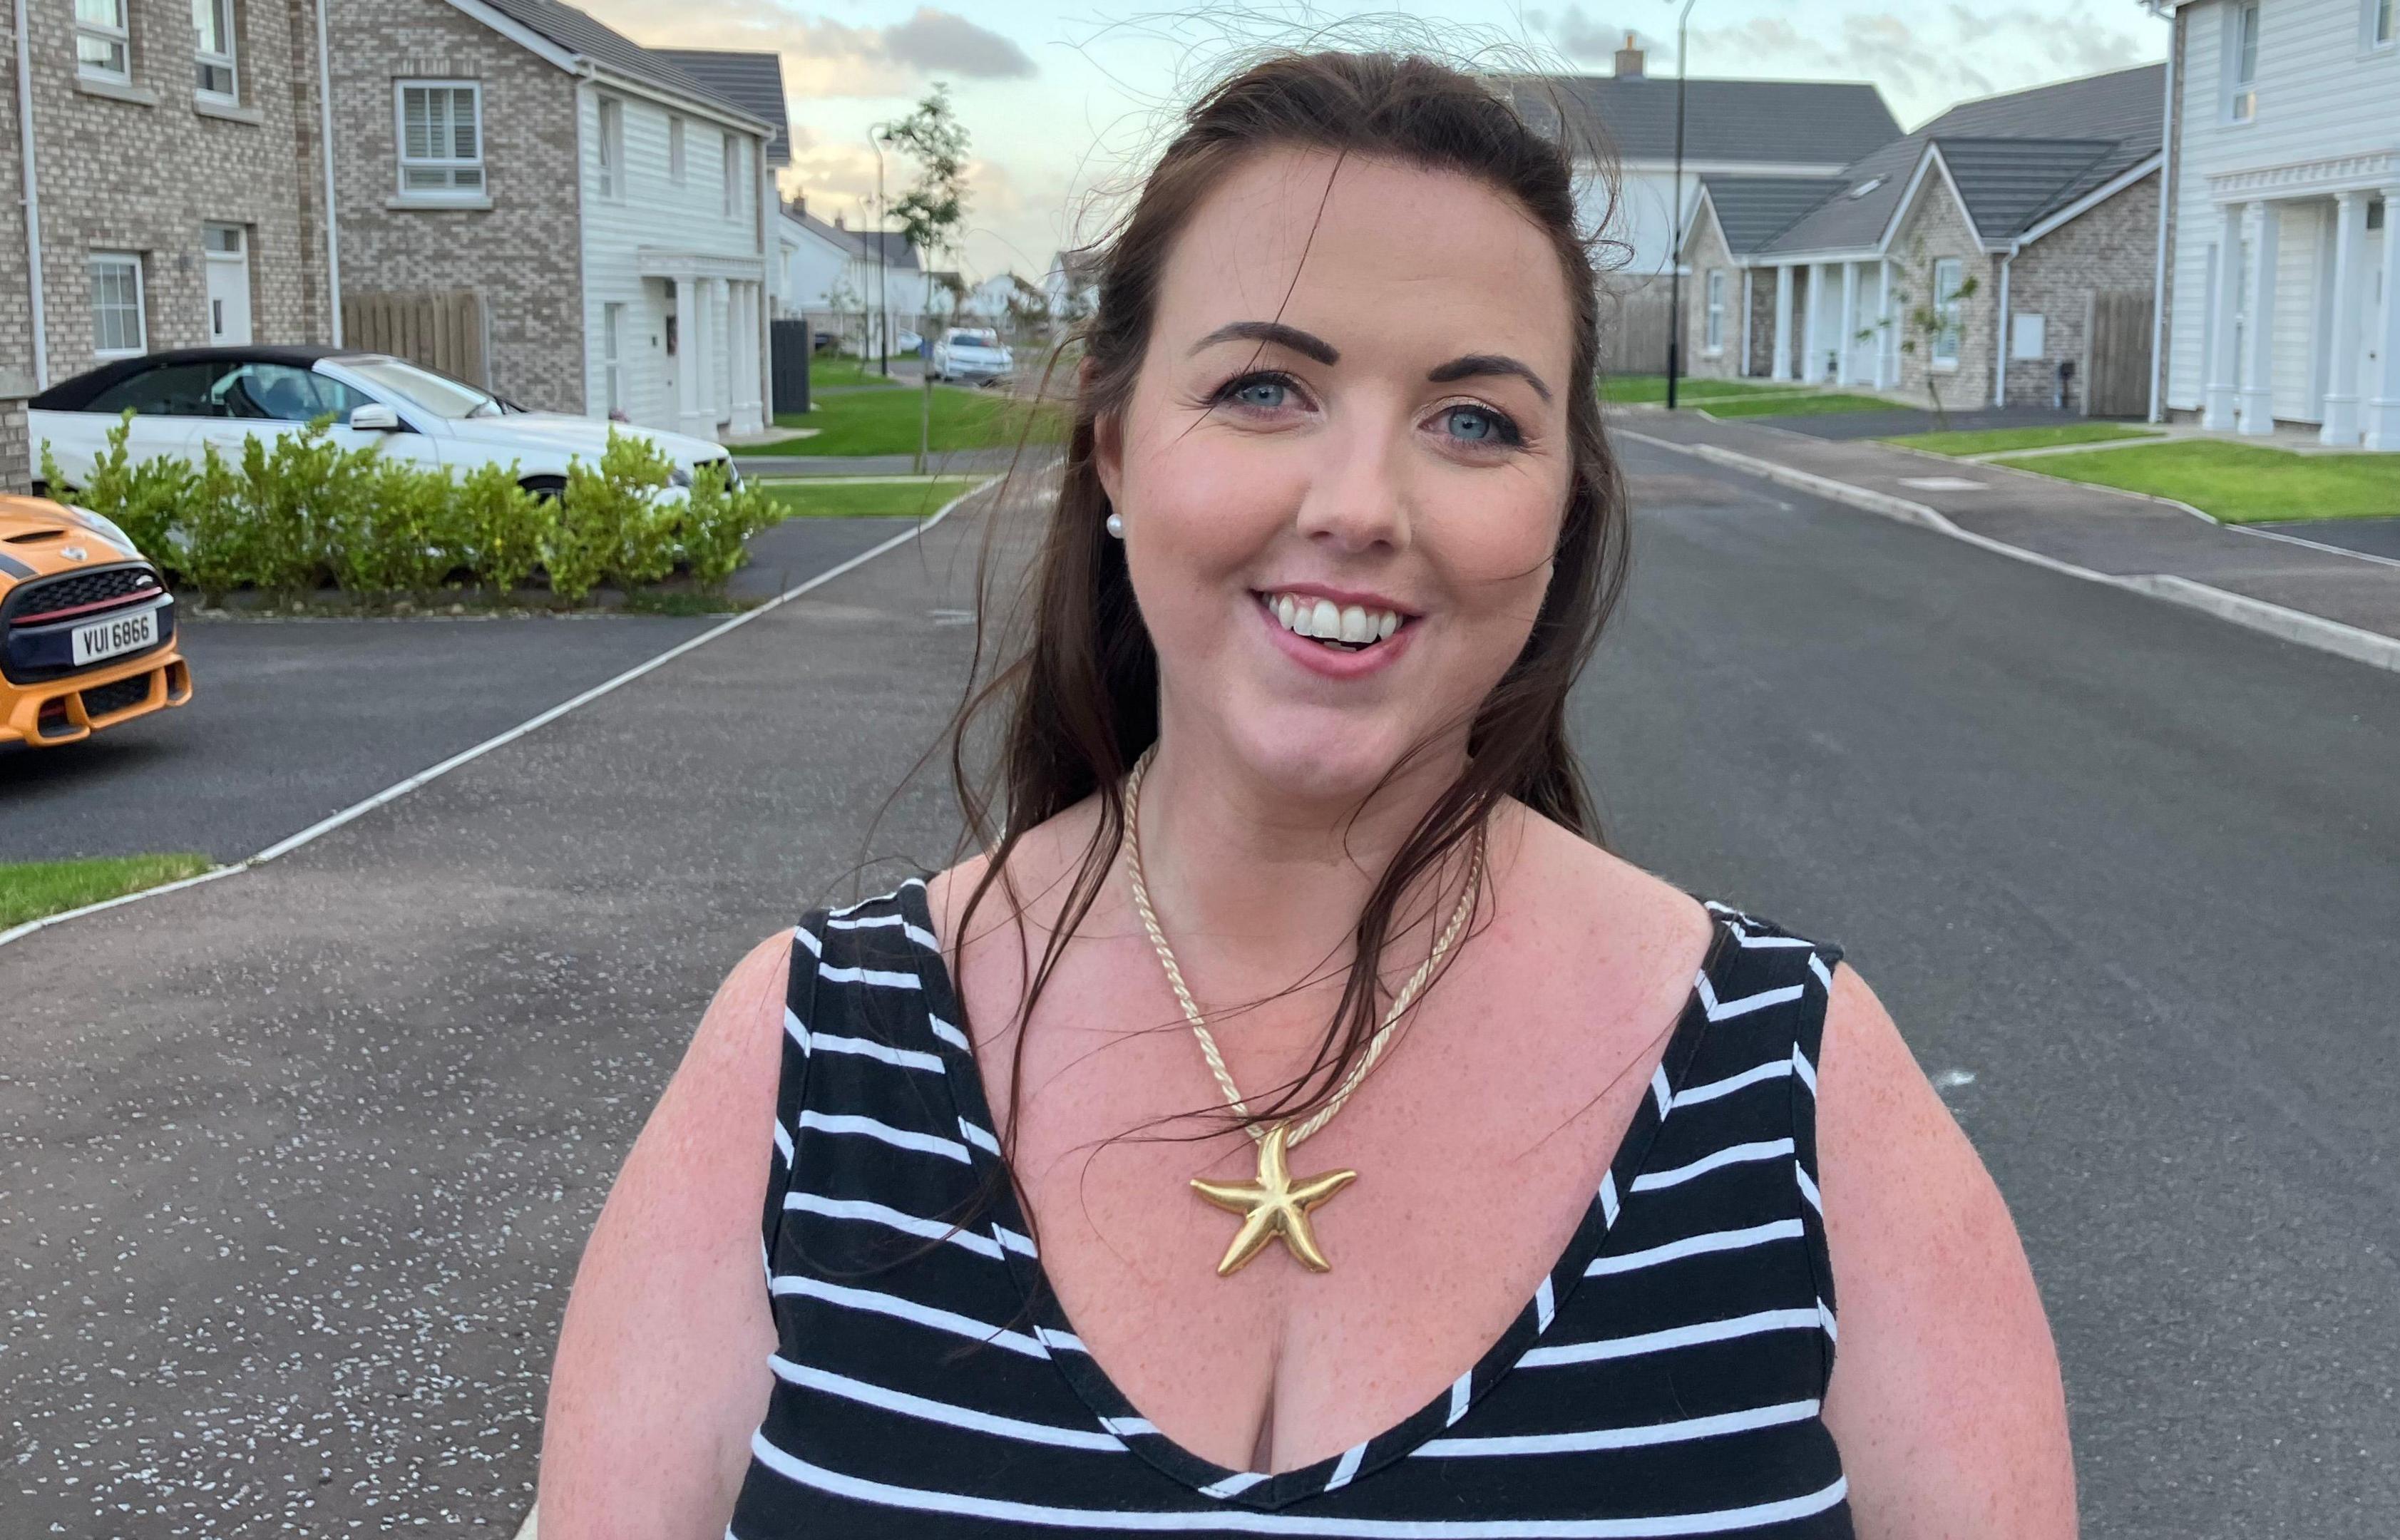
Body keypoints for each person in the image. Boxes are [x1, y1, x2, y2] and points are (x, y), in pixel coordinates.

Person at [538, 49, 2073, 1539]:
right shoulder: (812, 1056)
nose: (1358, 506)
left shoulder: (1795, 1093)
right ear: (1117, 447)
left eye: (1475, 421)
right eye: (1267, 388)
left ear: (1560, 507)